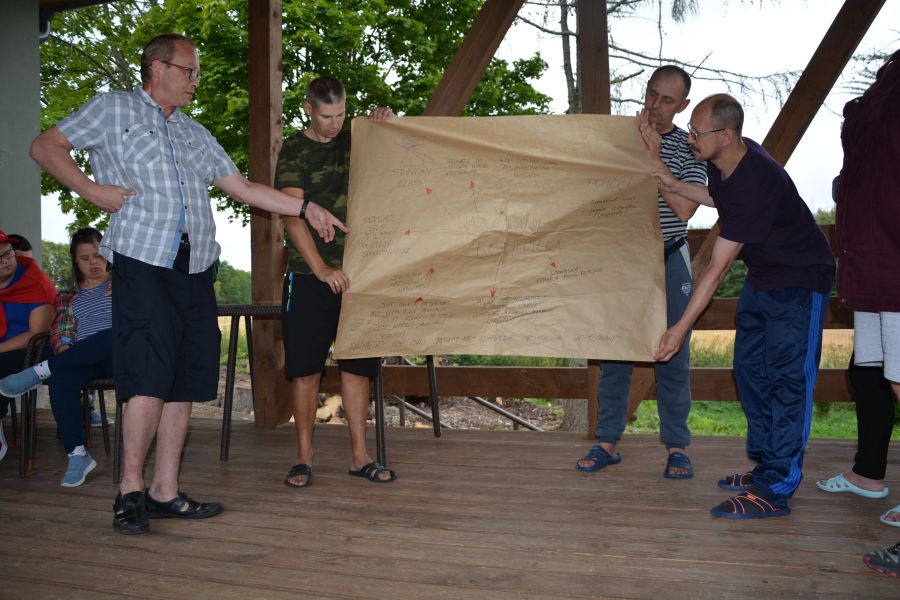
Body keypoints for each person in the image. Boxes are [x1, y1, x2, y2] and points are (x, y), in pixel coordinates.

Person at [30, 33, 346, 535]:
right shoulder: (113, 109)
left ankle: (165, 491)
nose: (196, 80)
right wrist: (90, 190)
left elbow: (244, 188)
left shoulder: (194, 132)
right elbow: (46, 146)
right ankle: (129, 492)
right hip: (143, 262)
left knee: (184, 379)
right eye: (189, 70)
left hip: (196, 268)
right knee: (148, 377)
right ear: (157, 68)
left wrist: (307, 207)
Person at [650, 94, 834, 519]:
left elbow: (716, 270)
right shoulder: (726, 163)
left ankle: (775, 487)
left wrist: (678, 329)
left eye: (697, 133)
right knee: (751, 371)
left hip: (800, 280)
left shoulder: (755, 180)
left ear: (726, 134)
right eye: (691, 130)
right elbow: (718, 198)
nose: (691, 138)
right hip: (764, 276)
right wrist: (673, 183)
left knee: (788, 381)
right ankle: (766, 466)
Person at [575, 65, 706, 478]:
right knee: (615, 353)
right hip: (622, 261)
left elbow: (684, 210)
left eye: (667, 100)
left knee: (673, 356)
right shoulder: (618, 138)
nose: (655, 105)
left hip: (669, 256)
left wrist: (653, 157)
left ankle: (677, 447)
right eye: (651, 94)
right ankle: (607, 442)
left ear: (682, 105)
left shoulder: (690, 148)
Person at [274, 77, 396, 488]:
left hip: (360, 273)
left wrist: (388, 125)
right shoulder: (294, 148)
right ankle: (304, 459)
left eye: (341, 114)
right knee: (306, 370)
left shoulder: (356, 139)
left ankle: (360, 457)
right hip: (308, 276)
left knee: (358, 367)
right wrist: (321, 269)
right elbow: (291, 214)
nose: (335, 123)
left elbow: (401, 157)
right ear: (308, 109)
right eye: (326, 116)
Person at [814, 50, 900, 552]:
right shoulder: (886, 83)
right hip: (870, 255)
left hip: (892, 256)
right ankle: (868, 473)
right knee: (868, 371)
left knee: (898, 376)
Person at [0, 227, 113, 486]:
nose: (93, 263)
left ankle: (41, 370)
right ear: (75, 261)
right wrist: (63, 346)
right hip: (82, 359)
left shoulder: (123, 286)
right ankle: (77, 455)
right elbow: (62, 331)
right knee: (62, 377)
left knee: (115, 334)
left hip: (120, 357)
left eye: (98, 255)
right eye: (85, 258)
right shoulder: (67, 297)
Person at [0, 230, 56, 463]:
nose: (6, 260)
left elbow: (36, 334)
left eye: (8, 253)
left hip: (32, 351)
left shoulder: (34, 282)